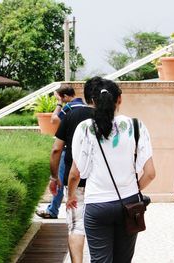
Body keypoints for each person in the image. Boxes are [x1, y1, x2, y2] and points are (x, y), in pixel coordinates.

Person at [66, 78, 156, 262]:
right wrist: (133, 188)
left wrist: (71, 196)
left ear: (93, 101)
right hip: (129, 205)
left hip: (97, 205)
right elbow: (150, 173)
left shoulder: (85, 129)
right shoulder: (136, 126)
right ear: (119, 99)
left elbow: (76, 173)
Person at [48, 77, 100, 263]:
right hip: (101, 183)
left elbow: (56, 149)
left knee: (77, 227)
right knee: (99, 229)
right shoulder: (108, 118)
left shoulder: (69, 114)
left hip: (75, 179)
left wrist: (54, 176)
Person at [37, 83, 85, 219]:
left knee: (59, 179)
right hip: (82, 150)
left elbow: (54, 120)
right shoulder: (83, 106)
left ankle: (53, 210)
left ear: (64, 96)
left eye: (59, 97)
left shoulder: (69, 107)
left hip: (67, 149)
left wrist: (59, 104)